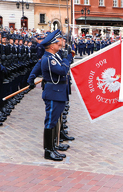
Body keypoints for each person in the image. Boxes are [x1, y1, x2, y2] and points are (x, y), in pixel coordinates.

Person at [40, 30, 72, 161]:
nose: (59, 44)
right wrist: (66, 59)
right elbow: (62, 70)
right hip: (53, 93)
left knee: (54, 121)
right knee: (50, 121)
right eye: (56, 43)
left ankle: (53, 147)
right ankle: (48, 151)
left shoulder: (54, 57)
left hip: (57, 93)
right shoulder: (49, 59)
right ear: (51, 46)